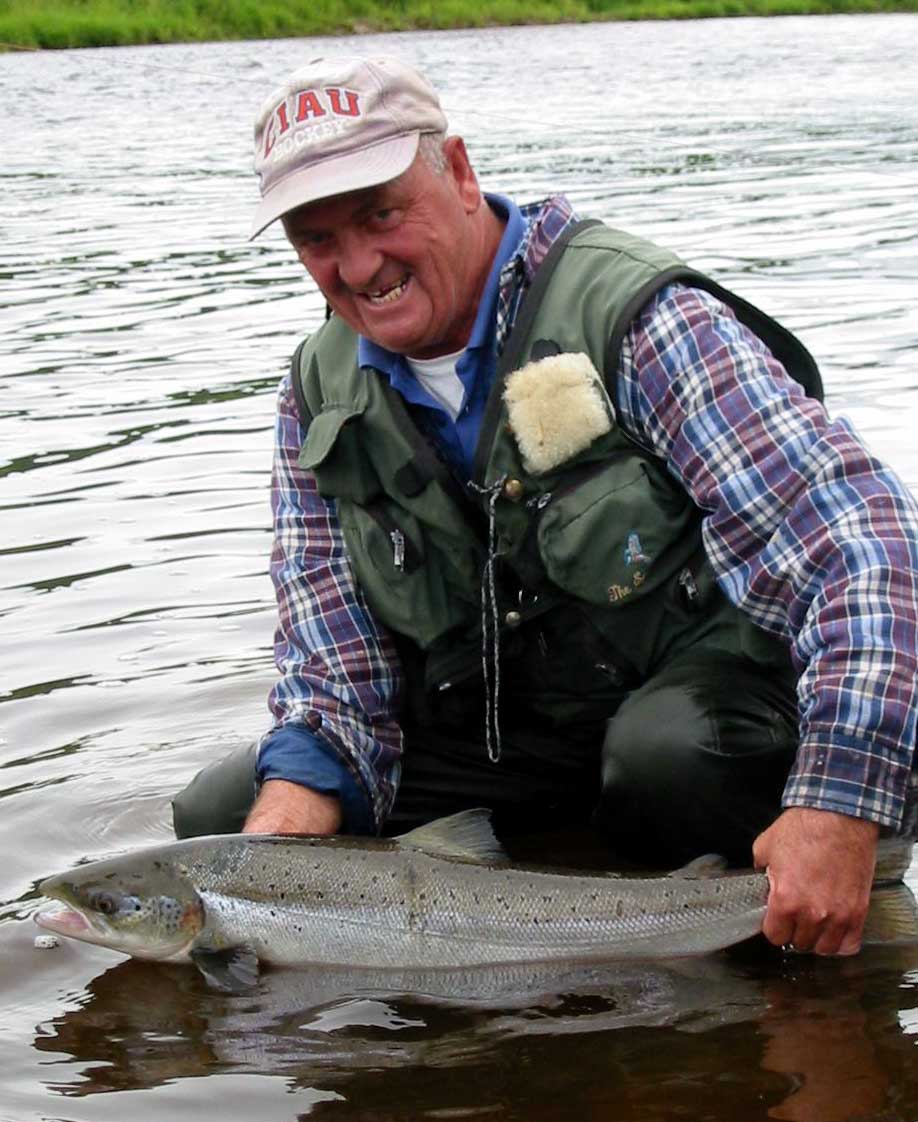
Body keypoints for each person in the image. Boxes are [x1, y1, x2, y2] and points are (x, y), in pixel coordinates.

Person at [173, 55, 918, 957]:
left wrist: (838, 803)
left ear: (457, 170)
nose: (359, 265)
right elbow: (331, 661)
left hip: (693, 727)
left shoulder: (638, 318)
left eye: (379, 212)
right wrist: (278, 856)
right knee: (219, 820)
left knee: (664, 760)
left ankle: (808, 910)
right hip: (514, 747)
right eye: (316, 236)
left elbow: (867, 549)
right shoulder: (316, 393)